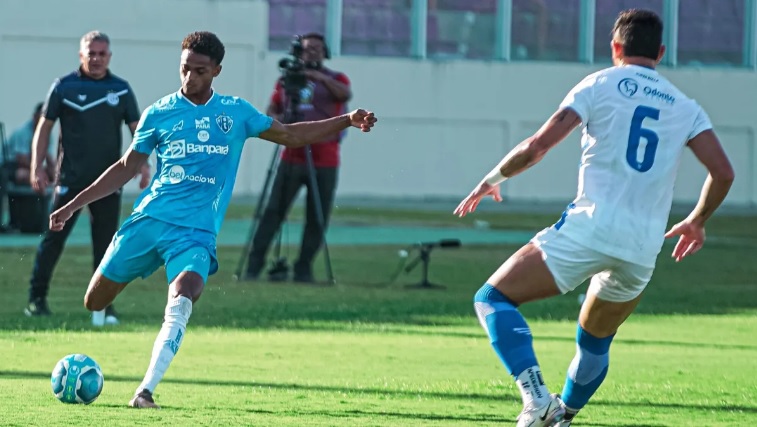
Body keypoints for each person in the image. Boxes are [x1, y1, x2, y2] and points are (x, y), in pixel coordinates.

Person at [47, 31, 376, 409]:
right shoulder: (159, 113)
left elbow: (290, 135)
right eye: (185, 69)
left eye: (200, 71)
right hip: (149, 221)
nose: (190, 78)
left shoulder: (235, 113)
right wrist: (73, 203)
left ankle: (145, 391)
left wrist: (346, 121)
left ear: (217, 70)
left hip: (195, 233)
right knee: (95, 302)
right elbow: (126, 168)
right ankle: (139, 276)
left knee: (186, 290)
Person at [454, 9, 734, 427]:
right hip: (642, 247)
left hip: (590, 227)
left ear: (615, 48)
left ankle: (536, 398)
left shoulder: (601, 82)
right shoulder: (685, 105)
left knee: (492, 299)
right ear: (660, 52)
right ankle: (562, 416)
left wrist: (491, 179)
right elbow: (723, 172)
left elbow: (537, 146)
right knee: (595, 342)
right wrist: (697, 220)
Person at [24, 31, 150, 324]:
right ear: (81, 55)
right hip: (70, 179)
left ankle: (105, 307)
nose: (96, 59)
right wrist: (36, 166)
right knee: (53, 240)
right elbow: (44, 129)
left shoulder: (120, 89)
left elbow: (138, 131)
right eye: (90, 53)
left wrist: (143, 166)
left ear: (109, 56)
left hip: (108, 183)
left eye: (101, 54)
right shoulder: (64, 87)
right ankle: (36, 299)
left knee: (107, 246)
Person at [244, 32, 352, 283]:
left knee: (317, 216)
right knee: (273, 212)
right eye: (306, 48)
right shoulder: (287, 80)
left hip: (325, 157)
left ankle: (303, 268)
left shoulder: (336, 78)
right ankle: (253, 266)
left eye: (316, 48)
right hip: (292, 155)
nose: (311, 52)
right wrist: (277, 120)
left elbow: (344, 95)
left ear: (325, 52)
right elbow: (273, 108)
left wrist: (317, 77)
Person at [7, 103, 56, 186]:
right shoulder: (22, 132)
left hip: (32, 166)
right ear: (34, 117)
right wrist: (38, 170)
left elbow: (50, 159)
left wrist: (52, 171)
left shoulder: (48, 134)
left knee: (53, 174)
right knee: (23, 175)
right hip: (11, 167)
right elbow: (21, 160)